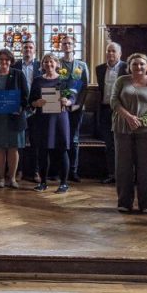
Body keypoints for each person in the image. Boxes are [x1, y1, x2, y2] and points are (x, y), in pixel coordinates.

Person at [111, 53, 147, 214]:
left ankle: (146, 204)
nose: (138, 67)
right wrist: (128, 117)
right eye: (134, 64)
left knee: (145, 168)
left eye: (141, 64)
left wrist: (142, 121)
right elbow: (114, 101)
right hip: (122, 128)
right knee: (123, 168)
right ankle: (124, 202)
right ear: (129, 67)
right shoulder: (122, 81)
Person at [0, 48, 29, 188]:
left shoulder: (18, 74)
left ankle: (12, 179)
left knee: (13, 148)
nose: (4, 62)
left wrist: (20, 108)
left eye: (7, 59)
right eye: (1, 59)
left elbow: (26, 96)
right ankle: (1, 178)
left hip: (14, 118)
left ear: (11, 61)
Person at [28, 53, 73, 192]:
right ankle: (43, 183)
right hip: (42, 119)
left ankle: (64, 183)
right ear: (42, 65)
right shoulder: (37, 80)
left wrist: (67, 101)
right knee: (42, 151)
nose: (48, 64)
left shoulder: (64, 80)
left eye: (51, 61)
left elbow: (72, 98)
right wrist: (36, 103)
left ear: (57, 63)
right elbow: (31, 101)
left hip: (60, 119)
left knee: (62, 150)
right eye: (45, 62)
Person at [58, 35, 89, 182]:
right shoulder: (57, 63)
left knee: (74, 139)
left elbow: (85, 88)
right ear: (61, 46)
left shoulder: (81, 65)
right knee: (60, 138)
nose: (67, 46)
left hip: (76, 107)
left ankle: (73, 170)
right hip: (60, 106)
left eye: (69, 43)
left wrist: (78, 105)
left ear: (74, 45)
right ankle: (60, 170)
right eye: (64, 43)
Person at [95, 42, 126, 185]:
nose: (110, 54)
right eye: (108, 51)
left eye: (114, 51)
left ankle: (124, 175)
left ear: (120, 53)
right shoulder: (100, 69)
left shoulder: (127, 67)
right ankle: (112, 173)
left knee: (123, 144)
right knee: (109, 144)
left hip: (122, 111)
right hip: (105, 110)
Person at [13, 41, 40, 183]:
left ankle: (35, 171)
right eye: (25, 48)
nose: (28, 50)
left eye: (30, 47)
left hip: (37, 109)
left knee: (36, 142)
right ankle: (19, 171)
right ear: (21, 50)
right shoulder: (15, 65)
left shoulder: (41, 65)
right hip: (20, 109)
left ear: (34, 50)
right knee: (20, 143)